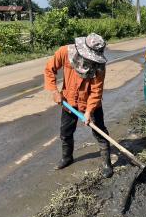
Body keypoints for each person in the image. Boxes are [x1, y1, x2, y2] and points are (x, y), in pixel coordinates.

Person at [44, 33, 113, 178]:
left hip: (91, 103)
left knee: (100, 132)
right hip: (69, 101)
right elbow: (49, 69)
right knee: (65, 132)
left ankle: (107, 163)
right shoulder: (65, 52)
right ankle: (67, 157)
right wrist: (54, 91)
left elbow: (96, 91)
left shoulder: (99, 66)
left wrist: (89, 111)